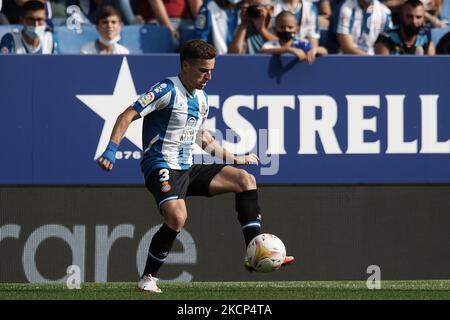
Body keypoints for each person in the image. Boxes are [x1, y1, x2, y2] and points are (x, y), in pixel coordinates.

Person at [97, 39, 295, 293]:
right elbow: (127, 115)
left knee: (245, 180)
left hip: (188, 166)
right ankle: (148, 278)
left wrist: (235, 158)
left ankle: (254, 254)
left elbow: (200, 137)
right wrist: (111, 149)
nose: (209, 76)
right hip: (160, 165)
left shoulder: (202, 98)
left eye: (211, 70)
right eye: (203, 70)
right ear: (186, 66)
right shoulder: (166, 89)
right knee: (177, 217)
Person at [261, 10, 327, 63]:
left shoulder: (301, 44)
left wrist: (314, 50)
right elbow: (263, 51)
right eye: (282, 27)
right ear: (275, 29)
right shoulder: (271, 44)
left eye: (290, 27)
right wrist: (288, 49)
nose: (286, 30)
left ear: (297, 29)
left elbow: (324, 51)